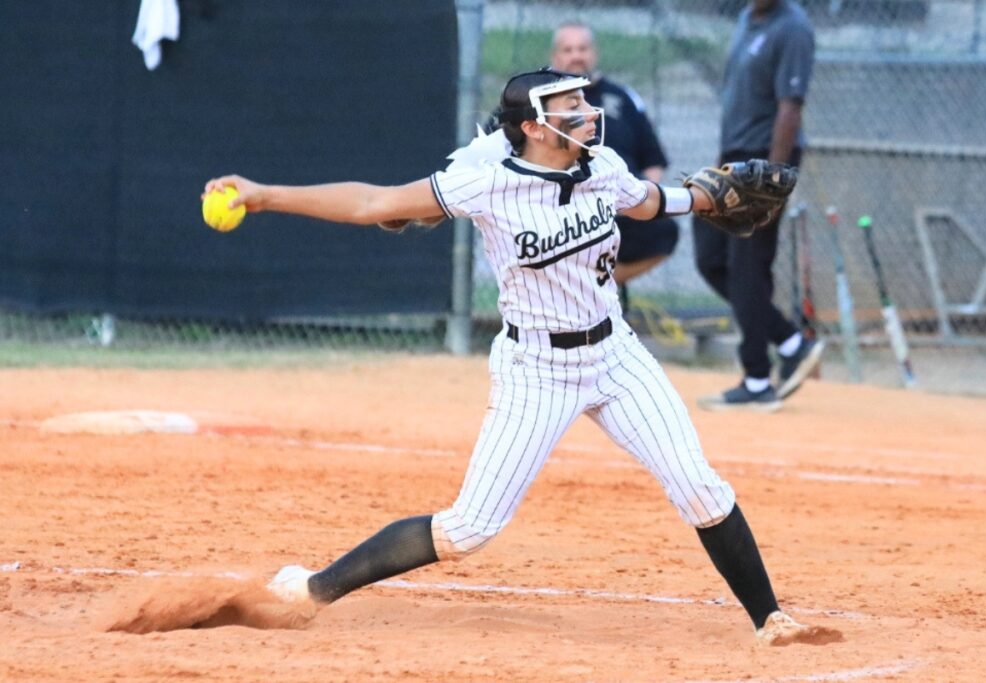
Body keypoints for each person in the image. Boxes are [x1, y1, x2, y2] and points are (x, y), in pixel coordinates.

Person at [202, 68, 840, 646]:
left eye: (584, 101)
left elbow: (646, 202)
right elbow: (375, 203)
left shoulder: (601, 164)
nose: (587, 112)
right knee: (468, 530)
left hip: (615, 357)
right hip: (536, 370)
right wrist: (264, 195)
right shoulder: (486, 181)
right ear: (533, 127)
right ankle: (309, 589)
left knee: (700, 486)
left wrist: (704, 197)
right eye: (570, 106)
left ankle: (771, 619)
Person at [693, 0, 823, 412]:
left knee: (748, 265)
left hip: (763, 161)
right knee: (711, 257)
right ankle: (788, 340)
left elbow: (790, 109)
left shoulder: (793, 28)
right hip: (733, 157)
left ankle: (756, 380)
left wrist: (772, 181)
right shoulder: (750, 18)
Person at [548, 22, 679, 303]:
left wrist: (642, 200)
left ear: (593, 53)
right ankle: (573, 290)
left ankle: (598, 284)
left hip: (621, 210)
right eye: (568, 50)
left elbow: (653, 160)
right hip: (562, 212)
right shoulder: (539, 99)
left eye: (582, 48)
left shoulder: (622, 98)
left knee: (665, 231)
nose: (576, 56)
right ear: (555, 57)